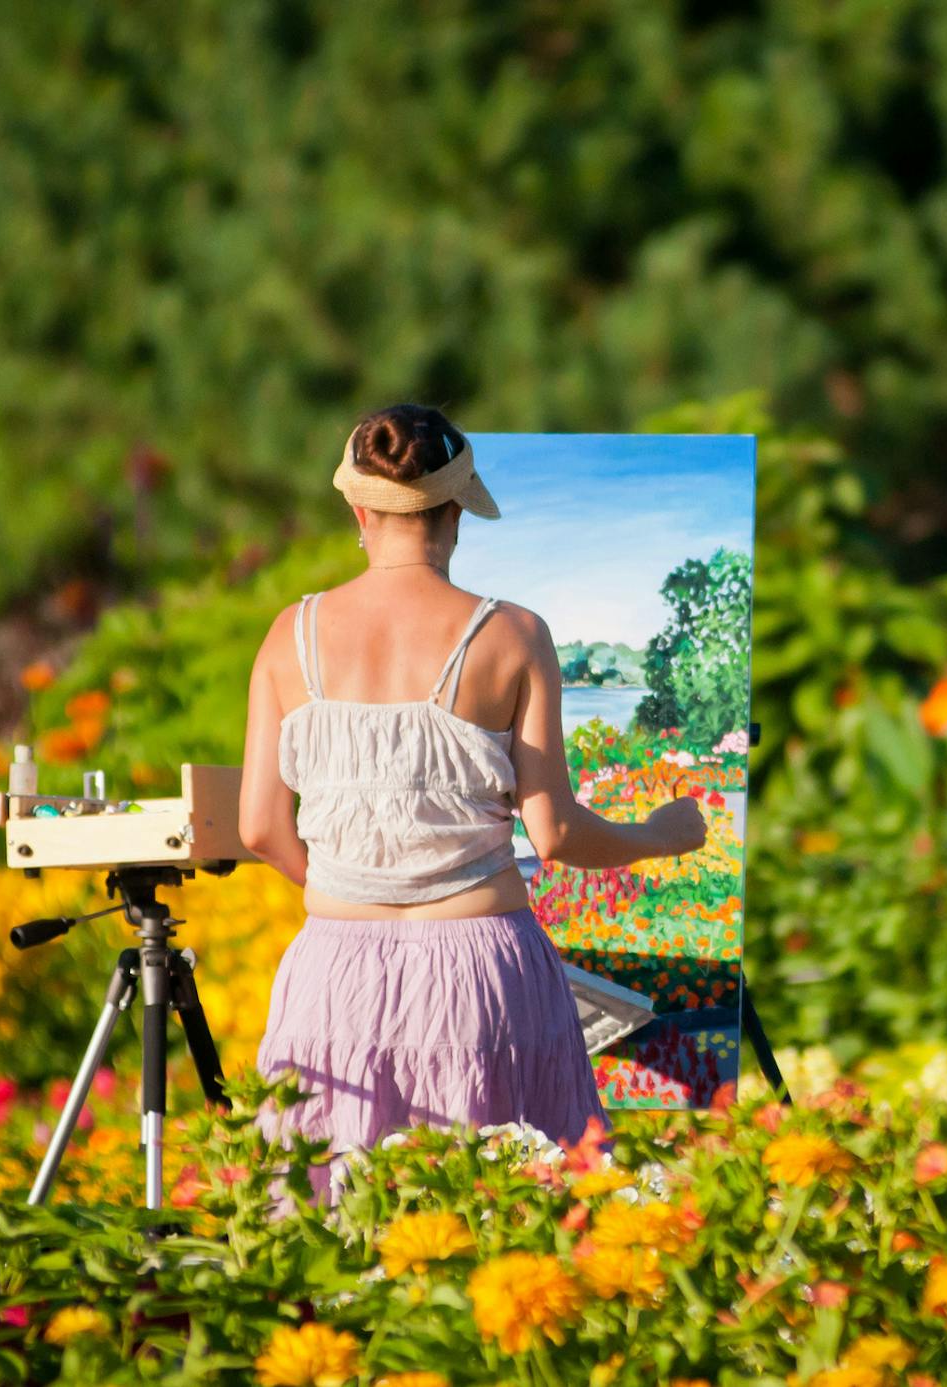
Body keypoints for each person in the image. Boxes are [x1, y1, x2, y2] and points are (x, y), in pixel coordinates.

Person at [236, 403, 709, 1205]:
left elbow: (256, 826)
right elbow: (554, 834)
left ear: (359, 512)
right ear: (456, 513)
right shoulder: (514, 634)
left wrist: (356, 888)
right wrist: (660, 835)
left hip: (331, 973)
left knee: (325, 1231)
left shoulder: (292, 633)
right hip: (480, 970)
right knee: (504, 1223)